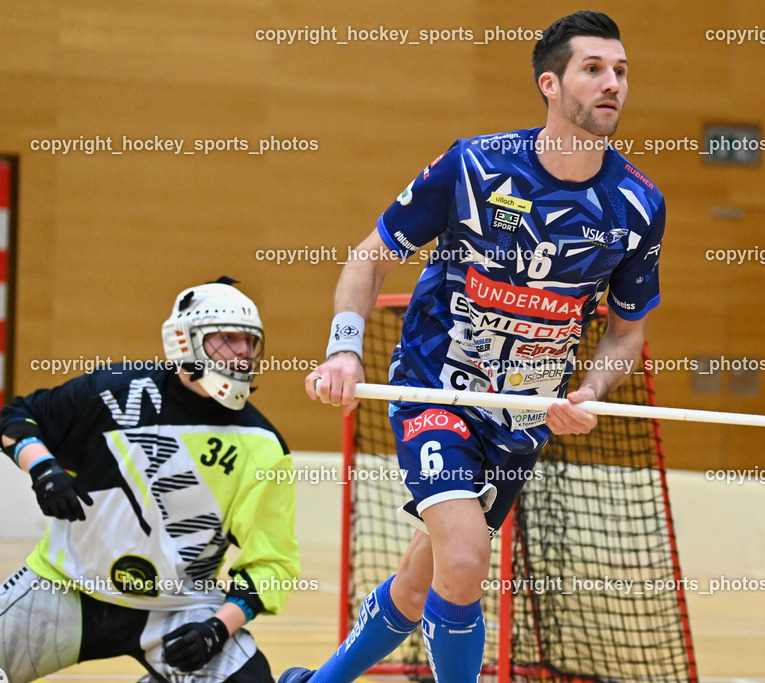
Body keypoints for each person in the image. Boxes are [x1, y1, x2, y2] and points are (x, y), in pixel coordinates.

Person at [281, 10, 664, 683]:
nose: (613, 84)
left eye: (621, 71)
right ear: (550, 84)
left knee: (420, 579)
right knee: (463, 562)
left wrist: (591, 391)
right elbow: (370, 257)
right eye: (594, 69)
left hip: (523, 418)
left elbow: (627, 331)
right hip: (437, 391)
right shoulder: (475, 166)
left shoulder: (637, 204)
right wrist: (344, 348)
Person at [0, 277, 300, 682]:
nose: (244, 352)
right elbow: (17, 417)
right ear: (184, 340)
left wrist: (217, 629)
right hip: (64, 587)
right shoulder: (112, 392)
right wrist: (44, 471)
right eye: (228, 338)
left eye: (250, 341)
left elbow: (272, 566)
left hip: (179, 608)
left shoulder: (262, 446)